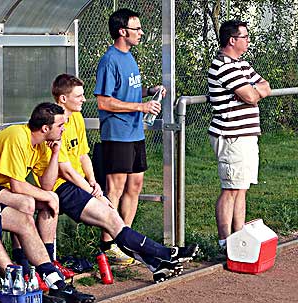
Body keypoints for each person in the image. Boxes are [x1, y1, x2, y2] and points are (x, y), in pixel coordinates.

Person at [51, 73, 198, 282]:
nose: (84, 99)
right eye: (79, 96)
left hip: (80, 183)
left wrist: (93, 182)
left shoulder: (76, 118)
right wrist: (91, 190)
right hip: (62, 186)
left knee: (113, 219)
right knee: (112, 217)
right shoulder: (55, 123)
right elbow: (65, 170)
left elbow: (83, 155)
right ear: (62, 99)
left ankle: (157, 265)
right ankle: (167, 254)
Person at [0, 102, 95, 303]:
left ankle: (48, 269)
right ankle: (25, 266)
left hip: (0, 186)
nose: (64, 129)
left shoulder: (43, 143)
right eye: (61, 126)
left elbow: (47, 184)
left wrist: (55, 154)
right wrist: (50, 196)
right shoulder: (18, 136)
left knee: (44, 203)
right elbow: (18, 186)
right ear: (45, 128)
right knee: (28, 203)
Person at [93, 8, 165, 264]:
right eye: (137, 29)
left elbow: (126, 90)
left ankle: (126, 240)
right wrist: (141, 107)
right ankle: (107, 244)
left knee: (134, 186)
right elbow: (104, 102)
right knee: (115, 188)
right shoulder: (109, 60)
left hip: (135, 132)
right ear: (122, 31)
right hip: (117, 133)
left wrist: (149, 91)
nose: (141, 33)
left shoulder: (129, 58)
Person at [207, 20, 271, 250]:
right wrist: (252, 92)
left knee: (241, 187)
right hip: (231, 135)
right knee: (230, 187)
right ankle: (225, 240)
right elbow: (252, 96)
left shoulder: (241, 64)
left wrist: (253, 92)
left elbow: (264, 86)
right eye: (244, 36)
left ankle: (239, 236)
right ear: (232, 40)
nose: (248, 41)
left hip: (246, 135)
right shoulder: (222, 65)